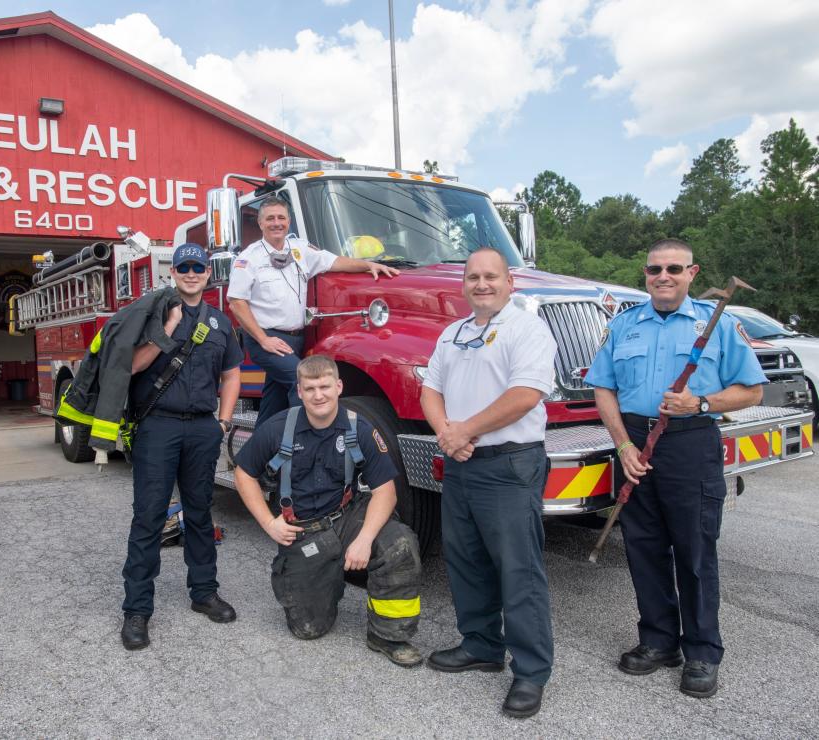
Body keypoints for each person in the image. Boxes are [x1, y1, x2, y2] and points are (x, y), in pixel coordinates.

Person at [585, 238, 766, 698]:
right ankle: (658, 642)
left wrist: (699, 401)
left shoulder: (718, 323)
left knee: (695, 551)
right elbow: (602, 388)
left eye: (673, 268)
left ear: (692, 272)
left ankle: (702, 650)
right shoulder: (624, 325)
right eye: (654, 269)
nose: (662, 276)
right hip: (636, 444)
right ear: (644, 274)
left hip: (690, 442)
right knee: (643, 547)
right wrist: (622, 444)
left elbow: (752, 391)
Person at [420, 248, 557, 719]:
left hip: (509, 464)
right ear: (463, 285)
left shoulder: (527, 329)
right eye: (473, 277)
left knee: (518, 570)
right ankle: (480, 645)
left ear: (509, 283)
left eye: (491, 277)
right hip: (460, 462)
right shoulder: (453, 333)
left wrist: (465, 430)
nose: (482, 284)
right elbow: (429, 389)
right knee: (467, 560)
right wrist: (446, 434)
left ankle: (531, 671)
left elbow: (525, 394)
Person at [232, 355, 423, 667]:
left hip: (345, 515)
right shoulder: (278, 428)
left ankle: (388, 636)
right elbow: (244, 473)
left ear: (338, 386)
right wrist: (268, 523)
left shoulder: (358, 428)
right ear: (300, 391)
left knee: (399, 543)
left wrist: (364, 539)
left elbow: (385, 492)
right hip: (304, 527)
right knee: (309, 628)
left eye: (324, 386)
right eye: (310, 388)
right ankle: (324, 575)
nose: (318, 395)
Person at [120, 243, 243, 650]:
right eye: (184, 267)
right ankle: (137, 610)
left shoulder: (221, 322)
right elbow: (133, 365)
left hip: (202, 430)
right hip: (158, 427)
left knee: (199, 513)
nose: (192, 273)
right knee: (149, 516)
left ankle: (204, 592)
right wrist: (169, 329)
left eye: (199, 267)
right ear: (173, 272)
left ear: (209, 274)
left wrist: (223, 422)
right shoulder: (153, 313)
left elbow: (231, 375)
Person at [227, 196, 399, 427]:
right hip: (266, 339)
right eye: (270, 219)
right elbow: (236, 302)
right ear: (260, 224)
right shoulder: (249, 258)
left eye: (281, 218)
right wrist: (264, 340)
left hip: (296, 338)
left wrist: (368, 265)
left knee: (273, 401)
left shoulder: (300, 249)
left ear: (289, 221)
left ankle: (259, 452)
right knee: (302, 383)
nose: (276, 223)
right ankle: (301, 445)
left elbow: (334, 262)